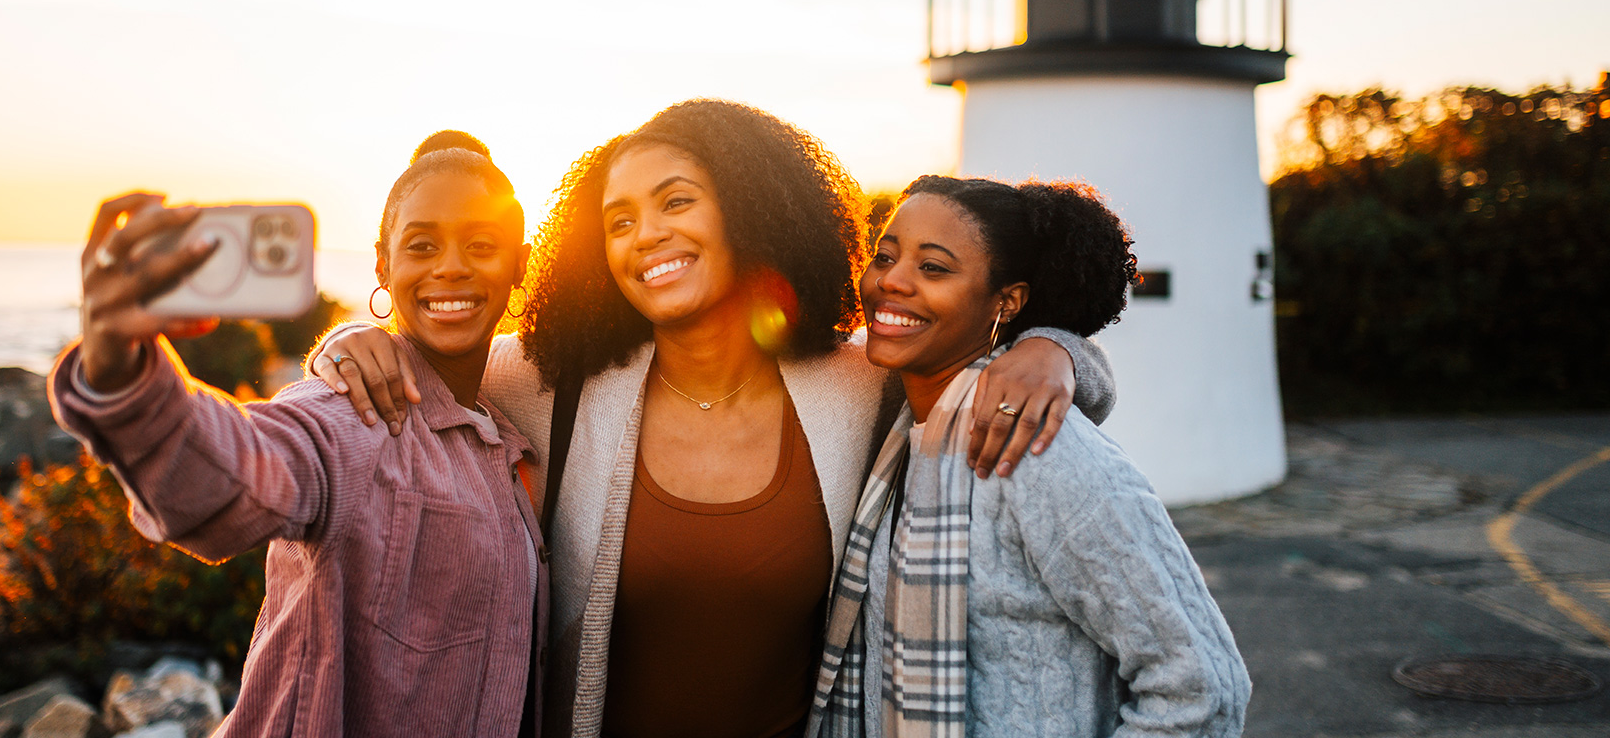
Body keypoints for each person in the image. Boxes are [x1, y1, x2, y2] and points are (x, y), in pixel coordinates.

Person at [313, 100, 1120, 738]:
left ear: (747, 209)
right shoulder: (550, 381)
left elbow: (980, 359)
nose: (647, 235)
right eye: (620, 220)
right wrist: (348, 340)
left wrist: (1056, 347)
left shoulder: (857, 386)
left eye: (676, 202)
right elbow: (424, 359)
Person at [49, 135, 547, 738]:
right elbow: (234, 480)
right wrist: (124, 376)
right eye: (422, 245)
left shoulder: (505, 438)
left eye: (481, 244)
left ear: (520, 263)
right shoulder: (358, 411)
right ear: (384, 267)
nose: (450, 265)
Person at [808, 177, 1249, 738]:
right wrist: (1059, 346)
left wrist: (1057, 346)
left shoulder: (1039, 451)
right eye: (886, 257)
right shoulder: (893, 426)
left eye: (934, 268)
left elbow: (1202, 687)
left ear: (1007, 301)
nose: (892, 281)